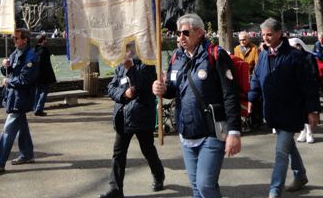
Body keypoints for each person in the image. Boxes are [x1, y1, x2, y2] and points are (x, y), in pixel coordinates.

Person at [152, 13, 241, 198]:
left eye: (185, 32)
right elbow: (173, 89)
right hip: (187, 131)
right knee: (196, 188)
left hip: (213, 130)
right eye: (178, 33)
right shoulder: (176, 58)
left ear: (199, 32)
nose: (180, 37)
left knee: (205, 185)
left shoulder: (216, 55)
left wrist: (234, 132)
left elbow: (230, 95)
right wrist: (161, 89)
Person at [248, 18, 320, 198]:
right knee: (287, 145)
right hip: (271, 110)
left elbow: (309, 85)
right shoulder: (263, 55)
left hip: (291, 110)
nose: (265, 38)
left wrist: (313, 111)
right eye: (263, 35)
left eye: (269, 34)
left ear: (280, 33)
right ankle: (300, 175)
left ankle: (274, 191)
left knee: (280, 152)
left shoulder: (296, 56)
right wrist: (250, 99)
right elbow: (256, 78)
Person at [99, 43, 165, 198]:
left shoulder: (147, 64)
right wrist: (124, 94)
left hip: (141, 116)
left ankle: (158, 175)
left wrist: (131, 69)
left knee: (147, 149)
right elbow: (111, 88)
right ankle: (115, 189)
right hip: (123, 117)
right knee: (118, 153)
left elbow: (145, 85)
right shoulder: (120, 67)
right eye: (124, 49)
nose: (126, 52)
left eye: (129, 49)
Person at [0, 28, 39, 173]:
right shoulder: (15, 53)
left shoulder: (31, 56)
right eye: (13, 38)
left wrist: (9, 81)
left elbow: (25, 79)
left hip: (22, 97)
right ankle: (27, 154)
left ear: (25, 40)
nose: (13, 40)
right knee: (22, 126)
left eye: (16, 38)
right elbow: (9, 72)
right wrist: (5, 67)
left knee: (8, 130)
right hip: (13, 96)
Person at [288, 37, 319, 144]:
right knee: (299, 112)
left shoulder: (309, 57)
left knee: (308, 110)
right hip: (294, 88)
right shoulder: (290, 57)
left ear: (299, 46)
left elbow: (314, 73)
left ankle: (310, 132)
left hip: (307, 87)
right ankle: (303, 131)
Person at [33, 32, 57, 116]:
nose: (46, 40)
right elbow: (45, 65)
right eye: (45, 39)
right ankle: (39, 109)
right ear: (42, 41)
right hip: (44, 75)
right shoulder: (44, 50)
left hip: (36, 75)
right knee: (43, 92)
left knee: (37, 92)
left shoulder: (34, 50)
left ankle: (35, 108)